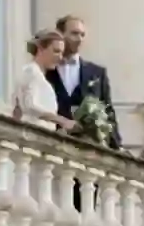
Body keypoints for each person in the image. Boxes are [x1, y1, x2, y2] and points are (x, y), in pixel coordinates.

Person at [46, 14, 122, 149]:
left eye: (82, 35)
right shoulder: (45, 71)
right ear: (60, 35)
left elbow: (108, 113)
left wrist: (117, 147)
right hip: (52, 147)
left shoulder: (97, 73)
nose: (79, 39)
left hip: (89, 149)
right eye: (74, 34)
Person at [12, 29, 78, 131]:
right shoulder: (32, 71)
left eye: (61, 53)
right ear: (41, 49)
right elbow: (30, 106)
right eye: (56, 51)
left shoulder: (40, 76)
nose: (60, 57)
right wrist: (62, 121)